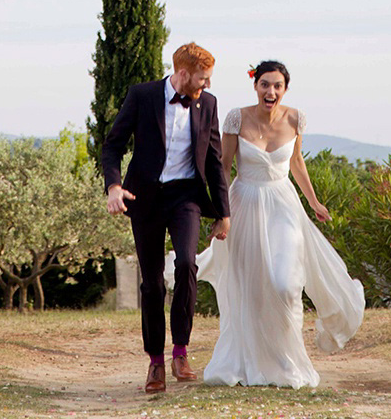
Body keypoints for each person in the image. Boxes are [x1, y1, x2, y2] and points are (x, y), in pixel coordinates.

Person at [196, 58, 365, 387]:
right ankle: (249, 361)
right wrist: (220, 214)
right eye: (265, 84)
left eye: (277, 86)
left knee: (285, 285)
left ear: (285, 89)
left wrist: (314, 202)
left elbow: (297, 161)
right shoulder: (236, 118)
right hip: (244, 204)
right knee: (250, 288)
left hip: (283, 206)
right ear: (255, 85)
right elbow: (225, 166)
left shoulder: (296, 118)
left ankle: (287, 362)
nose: (270, 91)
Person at [102, 41, 230, 394]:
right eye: (202, 79)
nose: (206, 85)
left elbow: (215, 161)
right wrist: (113, 186)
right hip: (143, 198)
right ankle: (155, 361)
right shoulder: (142, 96)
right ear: (184, 74)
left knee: (188, 264)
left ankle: (181, 352)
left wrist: (223, 212)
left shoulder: (209, 104)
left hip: (185, 196)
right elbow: (112, 145)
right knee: (153, 282)